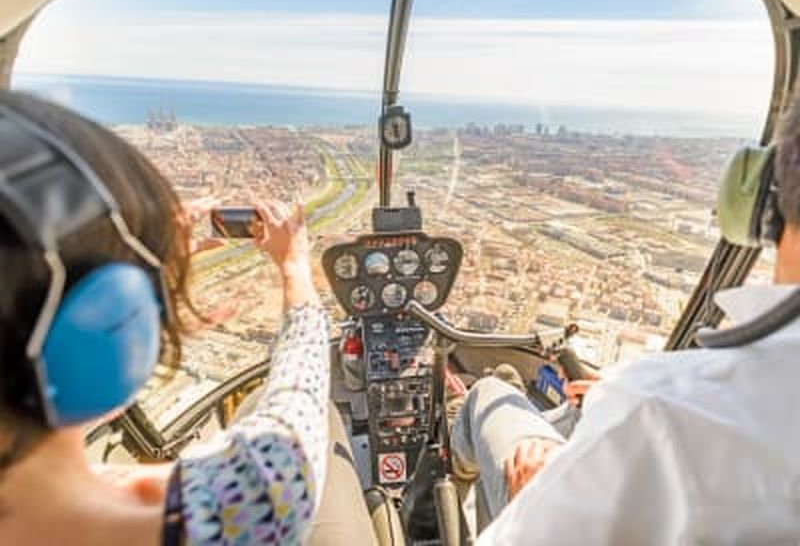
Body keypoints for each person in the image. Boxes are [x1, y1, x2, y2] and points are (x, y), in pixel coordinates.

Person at [0, 90, 372, 546]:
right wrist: (294, 269)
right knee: (326, 418)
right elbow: (298, 405)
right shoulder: (240, 512)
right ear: (116, 328)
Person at [452, 90, 800, 544]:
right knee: (569, 411)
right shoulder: (657, 404)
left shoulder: (662, 411)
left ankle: (435, 493)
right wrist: (618, 399)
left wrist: (532, 499)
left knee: (487, 397)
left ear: (760, 202)